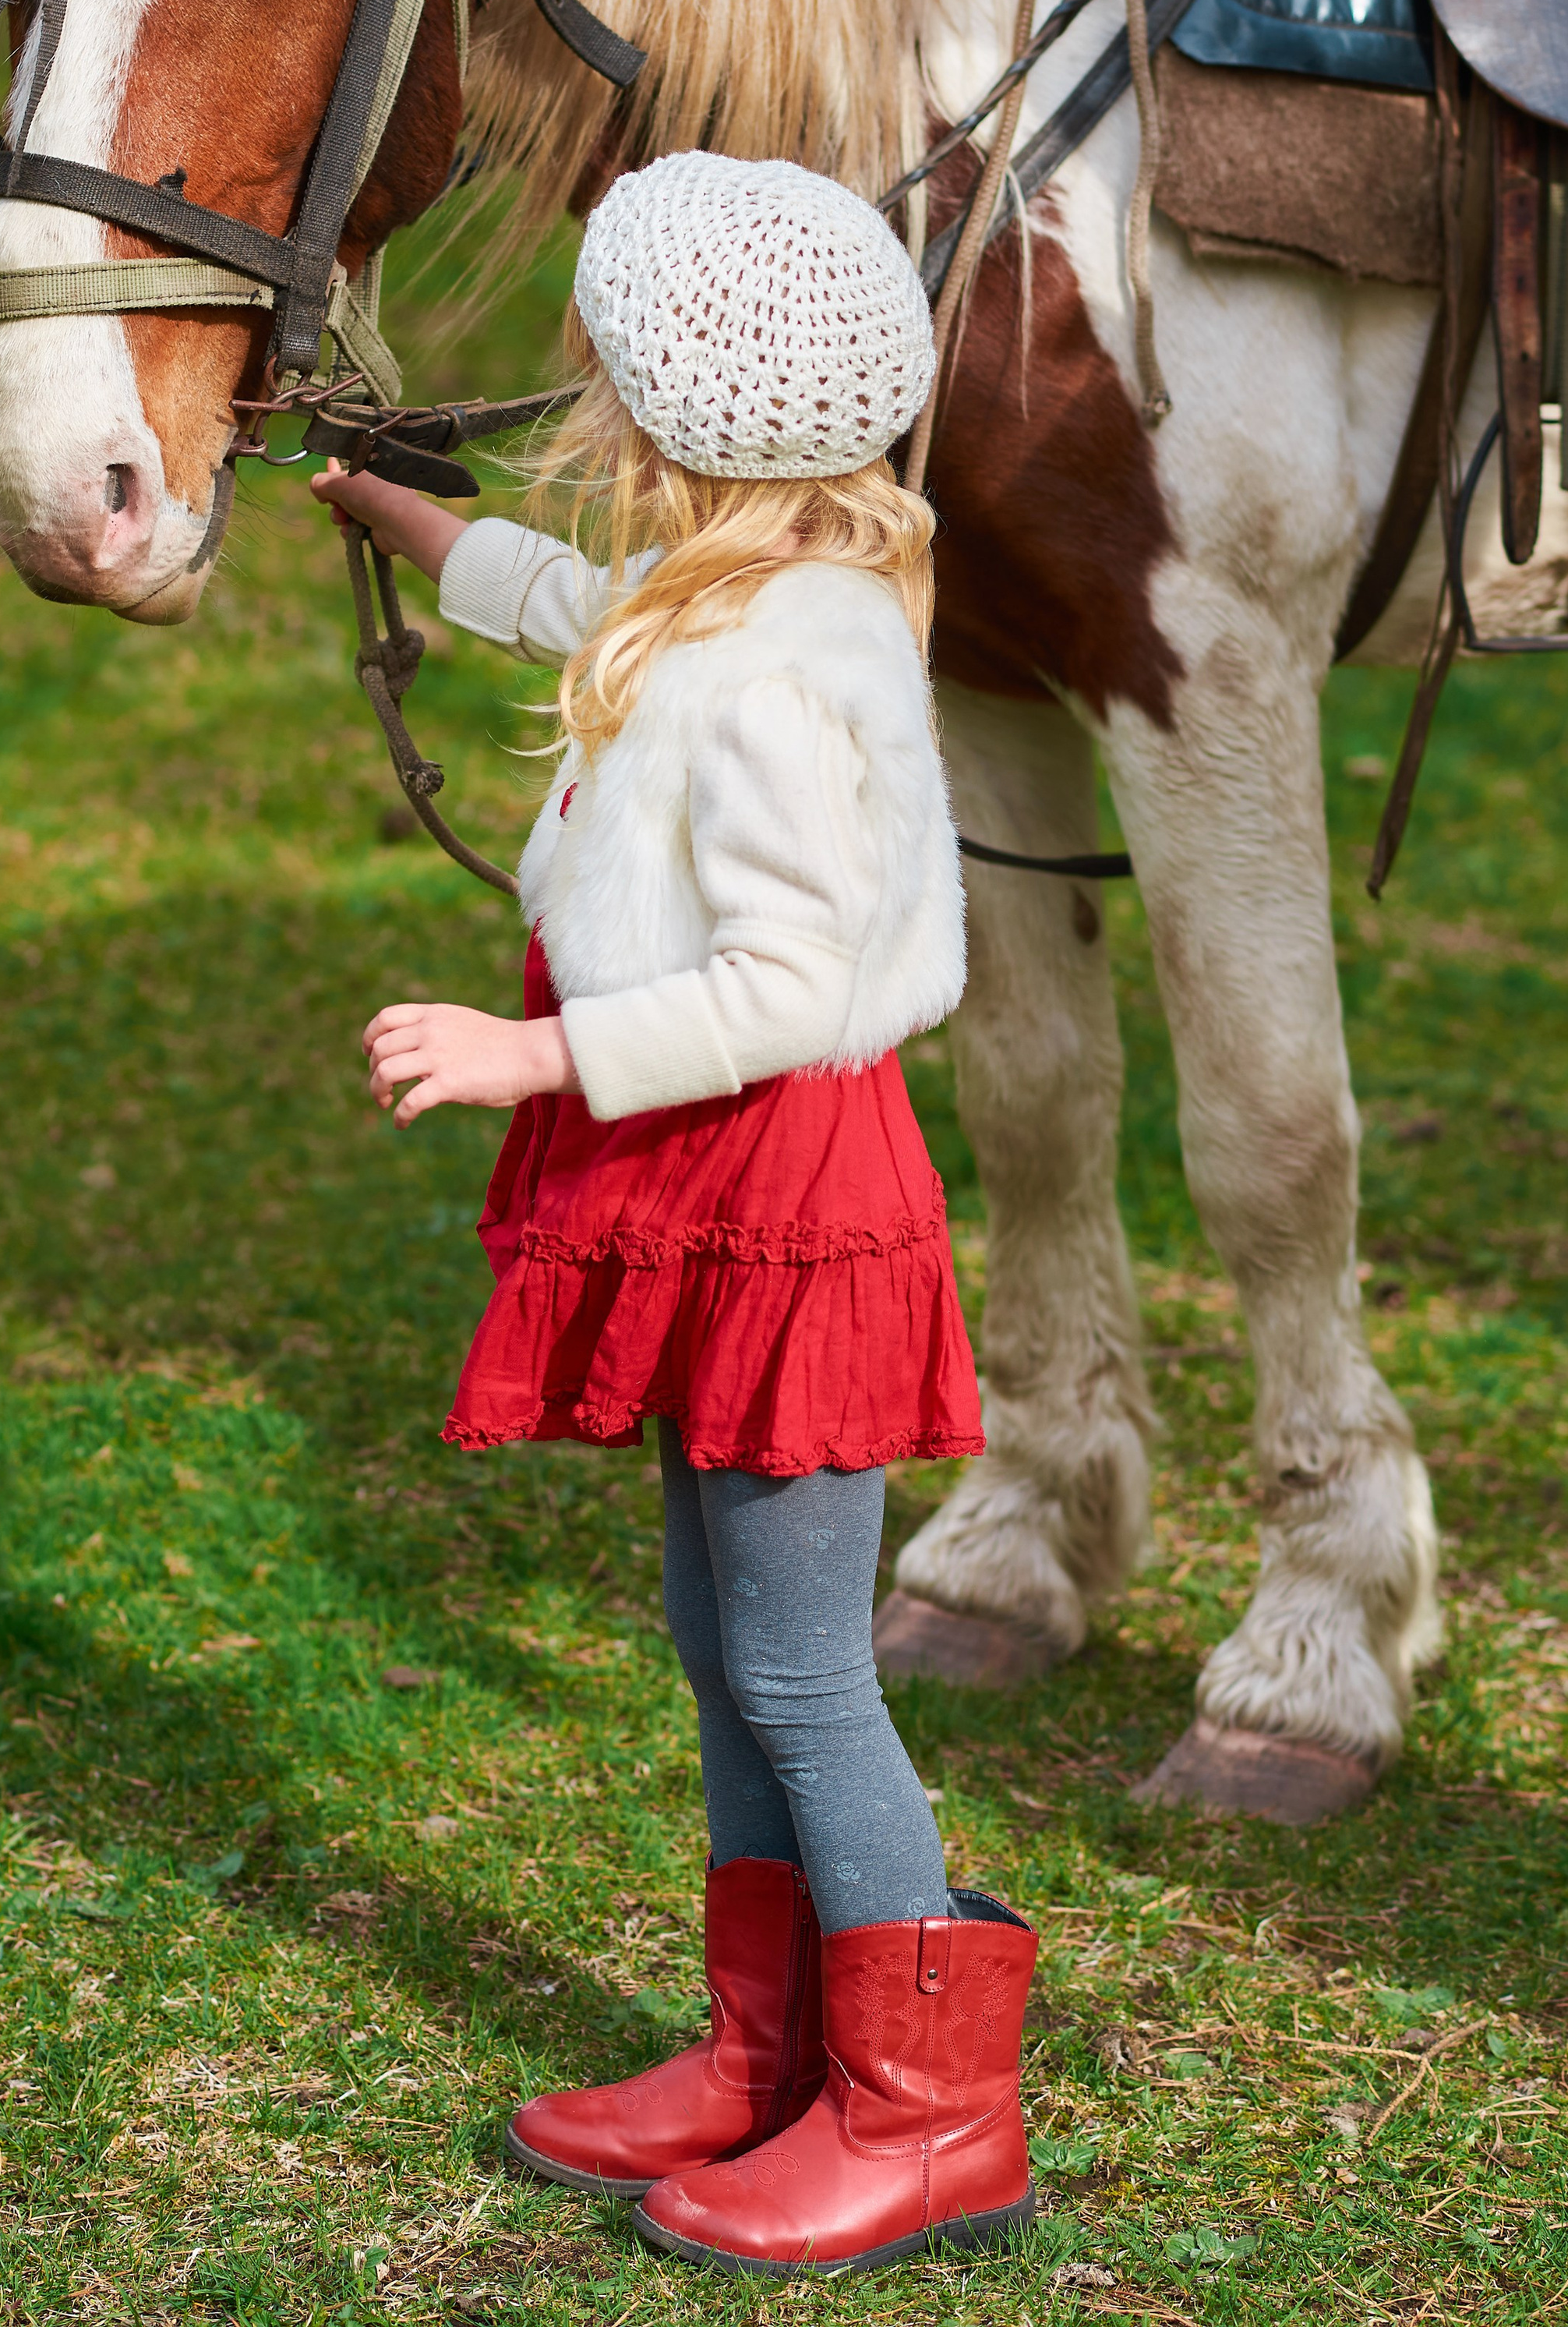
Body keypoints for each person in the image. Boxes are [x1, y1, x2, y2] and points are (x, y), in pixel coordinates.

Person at [309, 152, 1037, 2278]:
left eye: (600, 383)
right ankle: (768, 2048)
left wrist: (524, 1054)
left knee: (808, 1671)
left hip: (790, 1200)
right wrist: (401, 516)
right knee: (728, 1646)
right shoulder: (724, 586)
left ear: (660, 420)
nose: (581, 414)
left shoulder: (787, 664)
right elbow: (569, 598)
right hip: (717, 1192)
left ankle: (931, 2118)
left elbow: (799, 986)